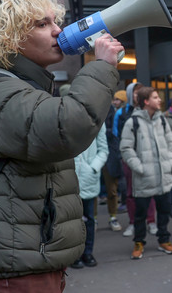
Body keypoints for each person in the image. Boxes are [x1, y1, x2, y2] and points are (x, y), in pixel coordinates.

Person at [0, 0, 124, 290]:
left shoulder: (18, 87)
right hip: (13, 267)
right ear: (10, 37)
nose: (58, 31)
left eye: (55, 22)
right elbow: (65, 128)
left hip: (23, 259)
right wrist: (102, 67)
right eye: (42, 24)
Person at [120, 86, 172, 260]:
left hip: (163, 175)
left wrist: (170, 163)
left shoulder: (162, 120)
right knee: (140, 214)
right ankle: (139, 242)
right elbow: (126, 148)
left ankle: (164, 240)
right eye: (155, 97)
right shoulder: (133, 122)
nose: (159, 100)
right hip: (144, 177)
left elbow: (170, 143)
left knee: (164, 210)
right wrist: (140, 168)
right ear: (146, 101)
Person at [115, 82, 157, 237]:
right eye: (135, 92)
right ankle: (133, 222)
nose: (137, 95)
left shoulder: (149, 112)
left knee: (150, 191)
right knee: (131, 193)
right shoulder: (122, 113)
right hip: (129, 159)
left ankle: (151, 221)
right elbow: (117, 136)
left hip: (148, 158)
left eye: (140, 92)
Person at [70, 107, 109, 269]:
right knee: (72, 221)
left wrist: (93, 168)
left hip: (88, 177)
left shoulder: (98, 122)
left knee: (89, 219)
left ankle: (88, 252)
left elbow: (103, 150)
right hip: (70, 178)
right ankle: (74, 255)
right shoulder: (68, 120)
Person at [102, 89, 126, 232]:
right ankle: (94, 218)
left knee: (112, 189)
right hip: (98, 153)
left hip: (111, 153)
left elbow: (115, 133)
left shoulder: (115, 113)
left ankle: (113, 217)